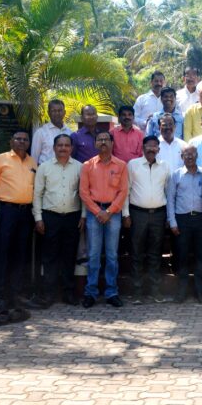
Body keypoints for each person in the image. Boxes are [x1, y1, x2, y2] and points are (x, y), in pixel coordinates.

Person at [0, 128, 36, 320]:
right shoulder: (0, 159)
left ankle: (16, 293)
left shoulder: (32, 161)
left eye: (25, 139)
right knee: (2, 252)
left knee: (20, 253)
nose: (21, 141)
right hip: (5, 211)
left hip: (26, 213)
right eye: (18, 138)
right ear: (11, 141)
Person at [31, 134, 83, 307]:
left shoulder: (79, 167)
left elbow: (83, 195)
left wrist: (83, 216)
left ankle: (69, 293)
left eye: (66, 145)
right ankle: (49, 294)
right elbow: (37, 194)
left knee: (69, 256)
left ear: (71, 148)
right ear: (54, 148)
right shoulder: (44, 168)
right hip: (50, 217)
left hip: (72, 217)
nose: (63, 148)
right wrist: (38, 218)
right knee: (50, 257)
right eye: (59, 145)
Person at [79, 130, 129, 308]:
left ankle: (111, 292)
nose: (103, 142)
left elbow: (123, 191)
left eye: (106, 139)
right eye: (99, 139)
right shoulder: (87, 165)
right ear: (95, 144)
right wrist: (97, 211)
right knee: (93, 255)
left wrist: (109, 211)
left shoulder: (121, 165)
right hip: (94, 213)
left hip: (113, 213)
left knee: (112, 255)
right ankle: (90, 292)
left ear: (112, 143)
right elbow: (83, 193)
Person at [126, 135, 169, 304]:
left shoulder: (165, 166)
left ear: (159, 149)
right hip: (137, 214)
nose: (151, 149)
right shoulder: (133, 165)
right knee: (136, 253)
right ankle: (136, 292)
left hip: (158, 214)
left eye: (155, 146)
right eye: (148, 146)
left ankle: (155, 290)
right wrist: (125, 214)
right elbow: (126, 190)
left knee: (155, 254)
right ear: (142, 148)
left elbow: (167, 191)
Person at [166, 145, 202, 303]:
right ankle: (181, 292)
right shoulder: (176, 175)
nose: (189, 157)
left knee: (200, 257)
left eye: (192, 154)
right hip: (182, 220)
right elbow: (170, 199)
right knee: (182, 256)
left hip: (201, 218)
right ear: (181, 156)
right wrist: (172, 222)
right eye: (186, 154)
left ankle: (200, 292)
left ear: (197, 155)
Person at [30, 98, 72, 164]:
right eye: (54, 111)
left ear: (64, 113)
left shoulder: (70, 132)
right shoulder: (40, 133)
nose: (57, 113)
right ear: (49, 113)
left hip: (66, 171)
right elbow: (34, 158)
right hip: (46, 173)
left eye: (60, 110)